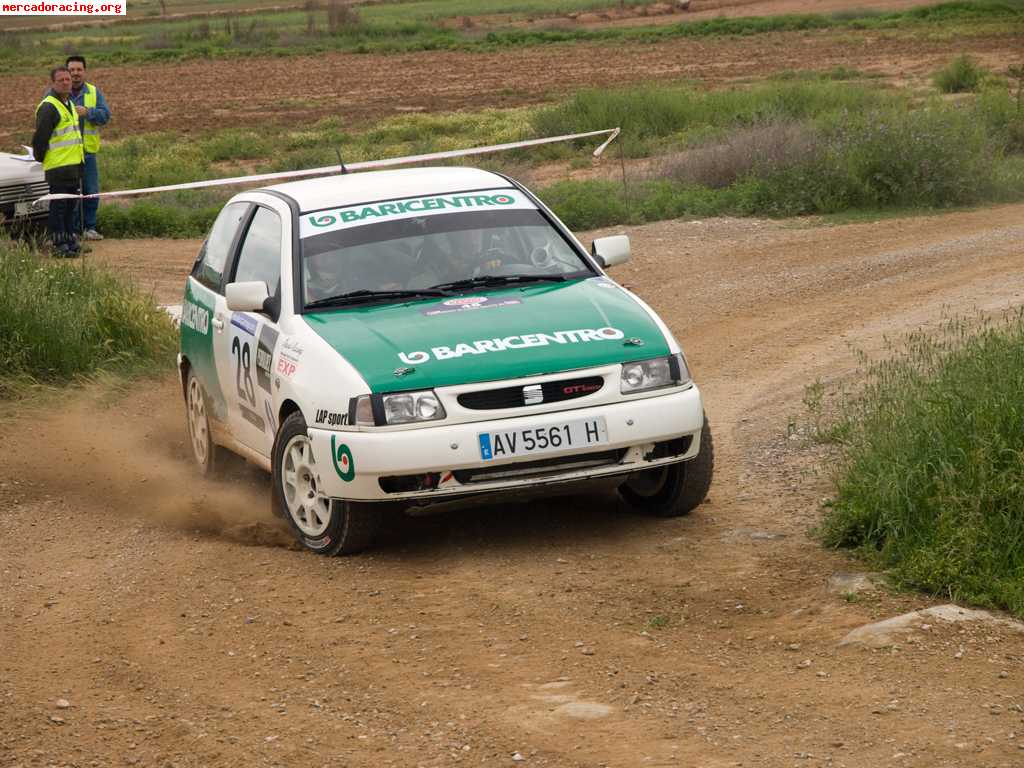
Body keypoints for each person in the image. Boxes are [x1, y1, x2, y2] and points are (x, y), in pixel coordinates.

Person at [32, 67, 85, 257]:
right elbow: (39, 140)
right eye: (61, 80)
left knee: (71, 206)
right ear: (53, 83)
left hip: (73, 165)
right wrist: (42, 159)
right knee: (59, 206)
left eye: (68, 79)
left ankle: (70, 239)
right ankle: (58, 243)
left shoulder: (69, 103)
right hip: (58, 167)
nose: (65, 82)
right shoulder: (49, 106)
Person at [66, 55, 110, 241]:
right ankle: (72, 230)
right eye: (72, 70)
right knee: (69, 193)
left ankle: (89, 228)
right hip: (66, 154)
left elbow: (105, 115)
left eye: (79, 70)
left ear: (84, 71)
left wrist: (88, 112)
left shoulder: (93, 92)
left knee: (91, 191)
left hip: (88, 152)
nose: (75, 73)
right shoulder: (57, 93)